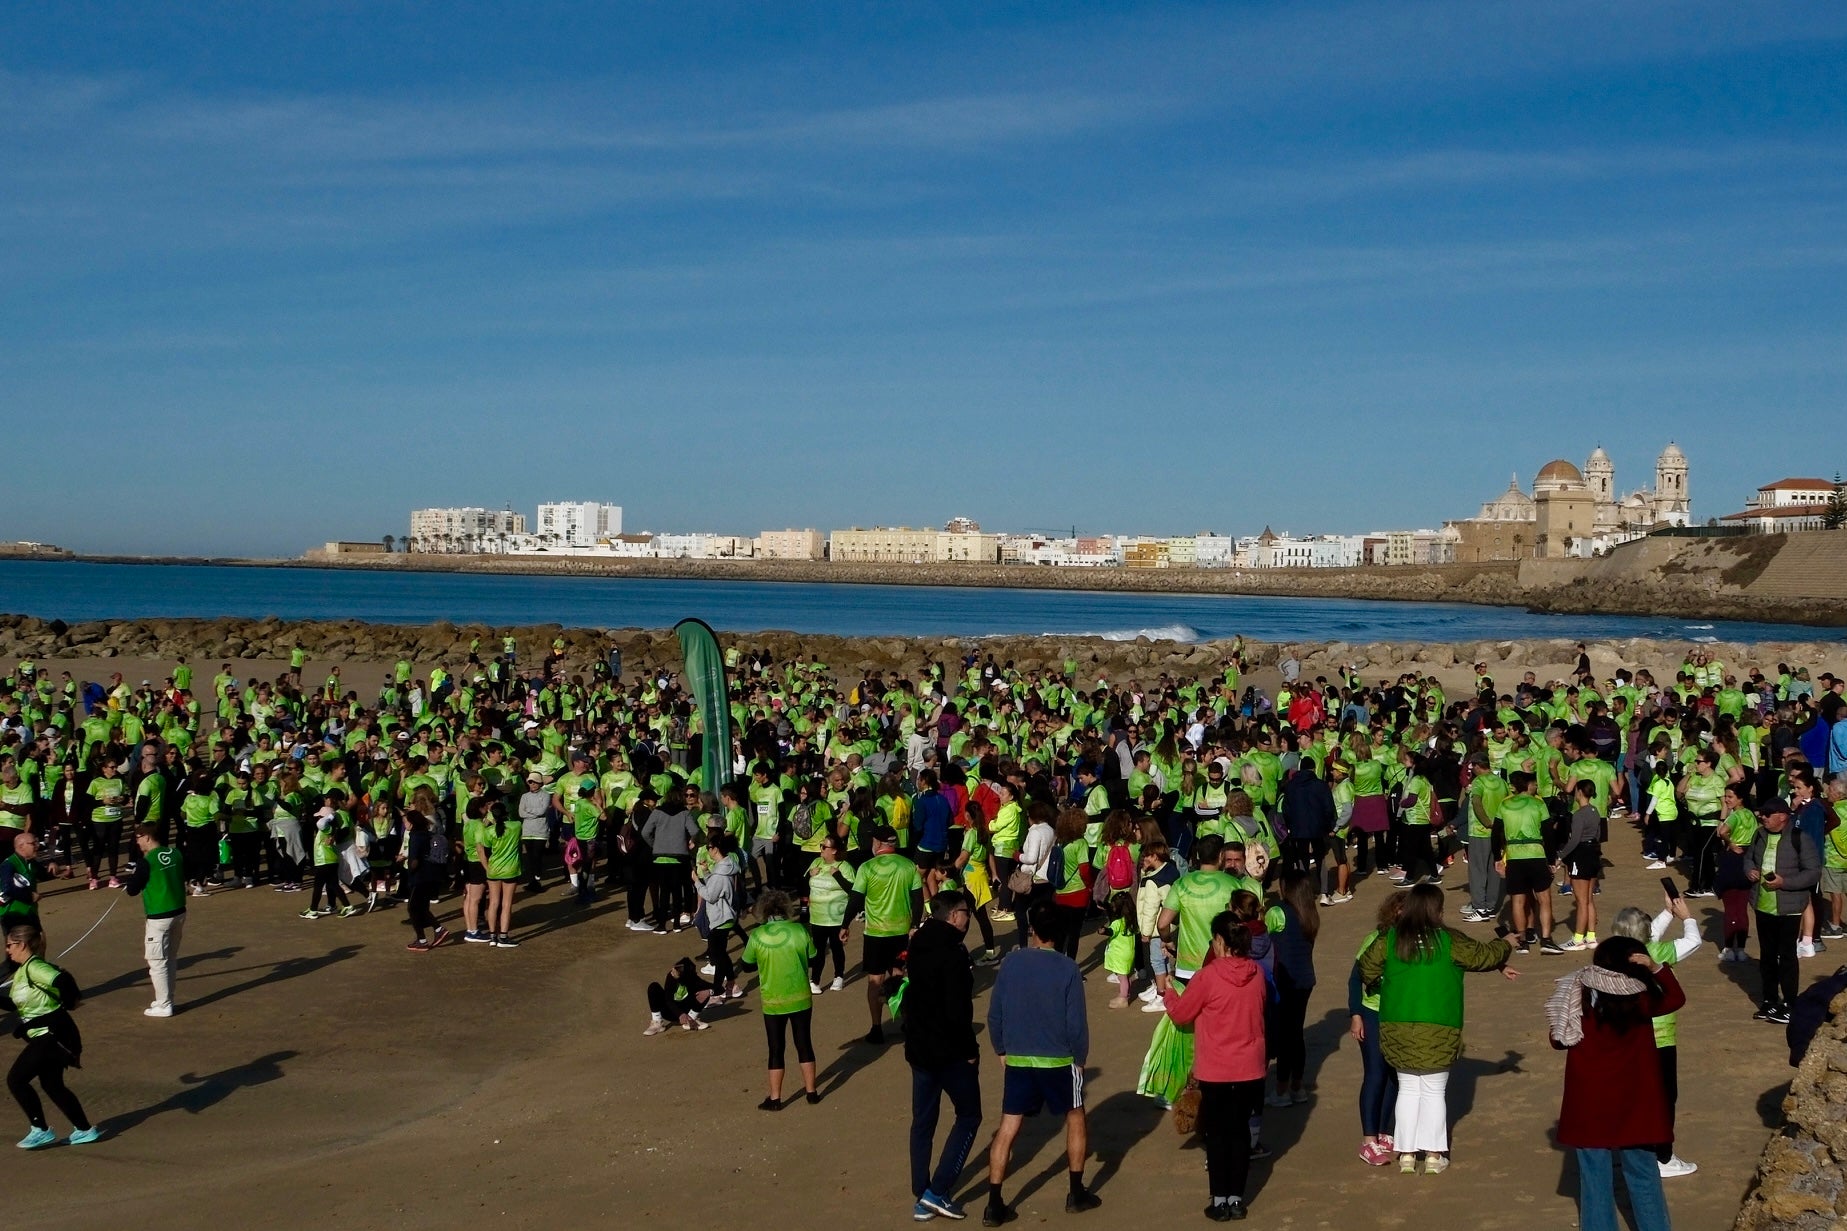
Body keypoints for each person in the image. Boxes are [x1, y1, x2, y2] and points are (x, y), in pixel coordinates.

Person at [1356, 883, 1516, 1174]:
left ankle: (1406, 1153)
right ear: (1436, 910)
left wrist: (1390, 983)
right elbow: (1483, 956)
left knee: (1407, 1089)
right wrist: (1506, 945)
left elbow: (1365, 969)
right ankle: (1432, 1154)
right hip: (1439, 1025)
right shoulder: (1449, 940)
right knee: (1432, 1092)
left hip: (1396, 1024)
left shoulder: (1390, 938)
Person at [1546, 936, 1685, 1231]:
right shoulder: (1641, 999)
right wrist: (1656, 967)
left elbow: (1557, 1040)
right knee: (1643, 1174)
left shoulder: (1577, 994)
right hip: (1636, 1101)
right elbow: (1675, 998)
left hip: (1589, 1101)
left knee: (1595, 1180)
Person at [983, 902, 1100, 1226]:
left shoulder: (1011, 963)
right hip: (1059, 1059)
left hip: (1019, 1057)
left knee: (1008, 1127)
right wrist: (1080, 1059)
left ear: (1033, 929)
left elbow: (995, 1013)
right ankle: (1076, 1193)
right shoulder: (1068, 969)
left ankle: (994, 1202)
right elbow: (1076, 1024)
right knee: (1075, 1116)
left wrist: (1001, 1048)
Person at [1162, 910, 1267, 1222]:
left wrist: (1169, 992)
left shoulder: (1206, 977)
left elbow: (1181, 1013)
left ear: (1220, 942)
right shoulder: (1257, 974)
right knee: (1238, 1132)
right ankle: (1236, 1198)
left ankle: (1219, 1199)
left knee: (1217, 1135)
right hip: (1250, 1068)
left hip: (1217, 1069)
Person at [1609, 896, 1702, 1178]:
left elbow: (1649, 933)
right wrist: (1687, 917)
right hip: (1660, 1039)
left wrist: (1666, 912)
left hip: (1628, 1038)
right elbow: (1693, 942)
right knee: (1665, 1097)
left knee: (1634, 1094)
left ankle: (1632, 1149)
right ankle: (1663, 1156)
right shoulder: (1658, 954)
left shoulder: (1613, 955)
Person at [905, 890, 982, 1222]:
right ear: (953, 916)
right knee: (969, 1116)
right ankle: (937, 1192)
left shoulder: (917, 944)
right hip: (949, 1052)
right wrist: (970, 1051)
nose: (968, 918)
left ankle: (921, 1189)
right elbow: (958, 1011)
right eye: (966, 912)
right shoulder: (953, 953)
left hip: (919, 1049)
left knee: (923, 1120)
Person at [4, 924, 100, 1148]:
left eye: (9, 945)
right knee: (52, 1084)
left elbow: (62, 981)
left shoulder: (34, 967)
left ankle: (40, 1130)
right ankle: (84, 1130)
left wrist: (66, 1005)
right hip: (51, 1035)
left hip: (54, 1034)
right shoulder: (23, 971)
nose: (7, 950)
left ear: (22, 944)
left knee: (16, 1080)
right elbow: (16, 1004)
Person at [739, 891, 818, 1110]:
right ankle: (811, 1092)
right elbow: (813, 958)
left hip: (773, 1000)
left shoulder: (758, 935)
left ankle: (775, 1098)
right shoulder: (799, 930)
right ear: (786, 909)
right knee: (804, 1044)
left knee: (776, 1049)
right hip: (800, 996)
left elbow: (746, 965)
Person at [1745, 797, 1821, 1025]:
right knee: (1767, 956)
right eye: (1762, 814)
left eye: (1767, 815)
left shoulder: (1800, 838)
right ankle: (1769, 1001)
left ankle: (1789, 1004)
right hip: (1763, 905)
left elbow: (1813, 872)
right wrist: (1750, 871)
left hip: (1789, 908)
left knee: (1787, 957)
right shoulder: (1759, 835)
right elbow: (1748, 859)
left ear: (1782, 816)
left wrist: (1784, 882)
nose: (1763, 818)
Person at [846, 826, 923, 1045]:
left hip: (876, 934)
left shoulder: (867, 867)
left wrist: (845, 924)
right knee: (899, 977)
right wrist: (915, 925)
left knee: (875, 981)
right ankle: (906, 1021)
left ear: (878, 843)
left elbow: (855, 898)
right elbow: (917, 899)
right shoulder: (909, 866)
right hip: (901, 932)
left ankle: (876, 1027)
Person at [1350, 890, 1407, 1166]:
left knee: (1395, 1075)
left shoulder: (1412, 942)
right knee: (1375, 1074)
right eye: (1400, 910)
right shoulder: (1375, 940)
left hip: (1399, 1017)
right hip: (1372, 1013)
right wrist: (1356, 1014)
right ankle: (1368, 1141)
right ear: (1391, 912)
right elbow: (1354, 980)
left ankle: (1384, 1132)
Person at [123, 824, 185, 1017]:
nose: (137, 842)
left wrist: (131, 881)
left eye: (139, 838)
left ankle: (164, 1004)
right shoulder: (175, 853)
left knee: (157, 961)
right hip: (179, 911)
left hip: (159, 916)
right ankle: (167, 998)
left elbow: (132, 890)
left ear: (147, 837)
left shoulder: (146, 861)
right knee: (171, 958)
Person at [805, 834, 852, 993]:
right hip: (817, 917)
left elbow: (853, 890)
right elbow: (804, 885)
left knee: (836, 947)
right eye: (821, 845)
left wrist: (837, 875)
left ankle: (839, 977)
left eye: (825, 847)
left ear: (834, 851)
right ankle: (815, 980)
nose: (821, 849)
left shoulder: (844, 866)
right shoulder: (816, 862)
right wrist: (809, 875)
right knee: (818, 949)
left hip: (836, 918)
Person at [643, 956, 717, 1035]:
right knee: (653, 987)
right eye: (676, 969)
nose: (673, 972)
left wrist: (710, 991)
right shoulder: (671, 976)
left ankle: (691, 1020)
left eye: (678, 971)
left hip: (687, 1011)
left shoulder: (694, 980)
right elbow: (668, 999)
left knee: (704, 992)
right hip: (669, 1011)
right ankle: (657, 1023)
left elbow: (719, 988)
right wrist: (680, 1014)